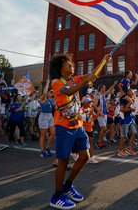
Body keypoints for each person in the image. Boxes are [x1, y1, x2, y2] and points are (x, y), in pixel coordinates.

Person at [49, 52, 110, 209]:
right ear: (59, 67)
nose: (71, 65)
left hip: (78, 125)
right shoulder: (56, 82)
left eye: (72, 63)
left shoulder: (74, 79)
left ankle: (68, 186)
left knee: (85, 156)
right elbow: (68, 92)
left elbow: (92, 74)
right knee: (63, 161)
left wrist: (103, 61)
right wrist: (85, 82)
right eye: (67, 63)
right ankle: (56, 196)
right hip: (63, 127)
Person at [94, 81, 117, 149]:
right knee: (104, 128)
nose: (105, 89)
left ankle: (100, 141)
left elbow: (110, 89)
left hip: (105, 113)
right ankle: (98, 142)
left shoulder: (103, 95)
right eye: (104, 88)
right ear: (101, 88)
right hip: (100, 114)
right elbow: (95, 106)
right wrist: (100, 112)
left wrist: (114, 84)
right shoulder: (97, 96)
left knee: (104, 128)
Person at [38, 80, 56, 158]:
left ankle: (47, 147)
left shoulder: (52, 100)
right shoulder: (43, 99)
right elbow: (44, 93)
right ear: (48, 92)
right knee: (43, 135)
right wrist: (47, 83)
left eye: (52, 92)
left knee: (53, 133)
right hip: (44, 117)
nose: (52, 93)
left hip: (51, 116)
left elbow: (56, 108)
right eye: (51, 92)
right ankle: (42, 151)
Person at [117, 88, 137, 157]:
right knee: (123, 136)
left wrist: (132, 109)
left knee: (134, 133)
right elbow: (122, 109)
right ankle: (120, 151)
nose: (132, 92)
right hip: (124, 119)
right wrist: (131, 109)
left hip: (130, 118)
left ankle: (129, 148)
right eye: (131, 91)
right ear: (127, 92)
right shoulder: (123, 99)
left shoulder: (131, 99)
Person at [80, 97, 99, 164]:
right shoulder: (81, 110)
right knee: (84, 144)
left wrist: (98, 111)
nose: (90, 103)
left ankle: (91, 157)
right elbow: (85, 120)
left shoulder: (90, 109)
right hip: (83, 129)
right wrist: (90, 114)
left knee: (90, 142)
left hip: (90, 129)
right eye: (89, 102)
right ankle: (79, 155)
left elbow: (95, 117)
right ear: (85, 103)